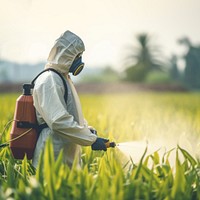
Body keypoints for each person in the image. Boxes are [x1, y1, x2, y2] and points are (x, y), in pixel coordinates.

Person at [32, 30, 109, 168]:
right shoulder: (50, 80)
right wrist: (91, 140)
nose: (80, 60)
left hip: (64, 153)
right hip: (52, 154)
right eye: (77, 55)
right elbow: (58, 121)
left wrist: (86, 130)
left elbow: (70, 114)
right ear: (66, 55)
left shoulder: (63, 78)